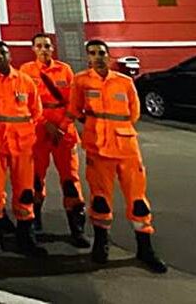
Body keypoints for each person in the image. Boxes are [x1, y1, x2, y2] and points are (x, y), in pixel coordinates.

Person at [68, 40, 166, 273]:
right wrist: (95, 126)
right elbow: (75, 110)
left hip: (126, 149)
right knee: (100, 199)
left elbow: (134, 114)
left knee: (138, 201)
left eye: (101, 53)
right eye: (92, 53)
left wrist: (113, 128)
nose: (98, 57)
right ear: (88, 58)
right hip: (98, 150)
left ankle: (145, 248)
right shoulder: (81, 81)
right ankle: (101, 244)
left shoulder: (124, 82)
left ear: (108, 56)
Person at [0, 41, 46, 256]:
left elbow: (36, 111)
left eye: (3, 52)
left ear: (10, 55)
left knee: (25, 191)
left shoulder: (25, 81)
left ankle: (26, 236)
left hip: (21, 145)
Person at [19, 34, 89, 248]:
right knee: (36, 180)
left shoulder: (65, 70)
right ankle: (35, 221)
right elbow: (25, 104)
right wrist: (44, 123)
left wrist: (63, 125)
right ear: (33, 49)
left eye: (47, 46)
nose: (43, 49)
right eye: (39, 46)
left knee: (70, 181)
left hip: (63, 133)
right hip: (38, 132)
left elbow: (74, 102)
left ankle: (76, 228)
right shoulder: (26, 71)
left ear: (52, 48)